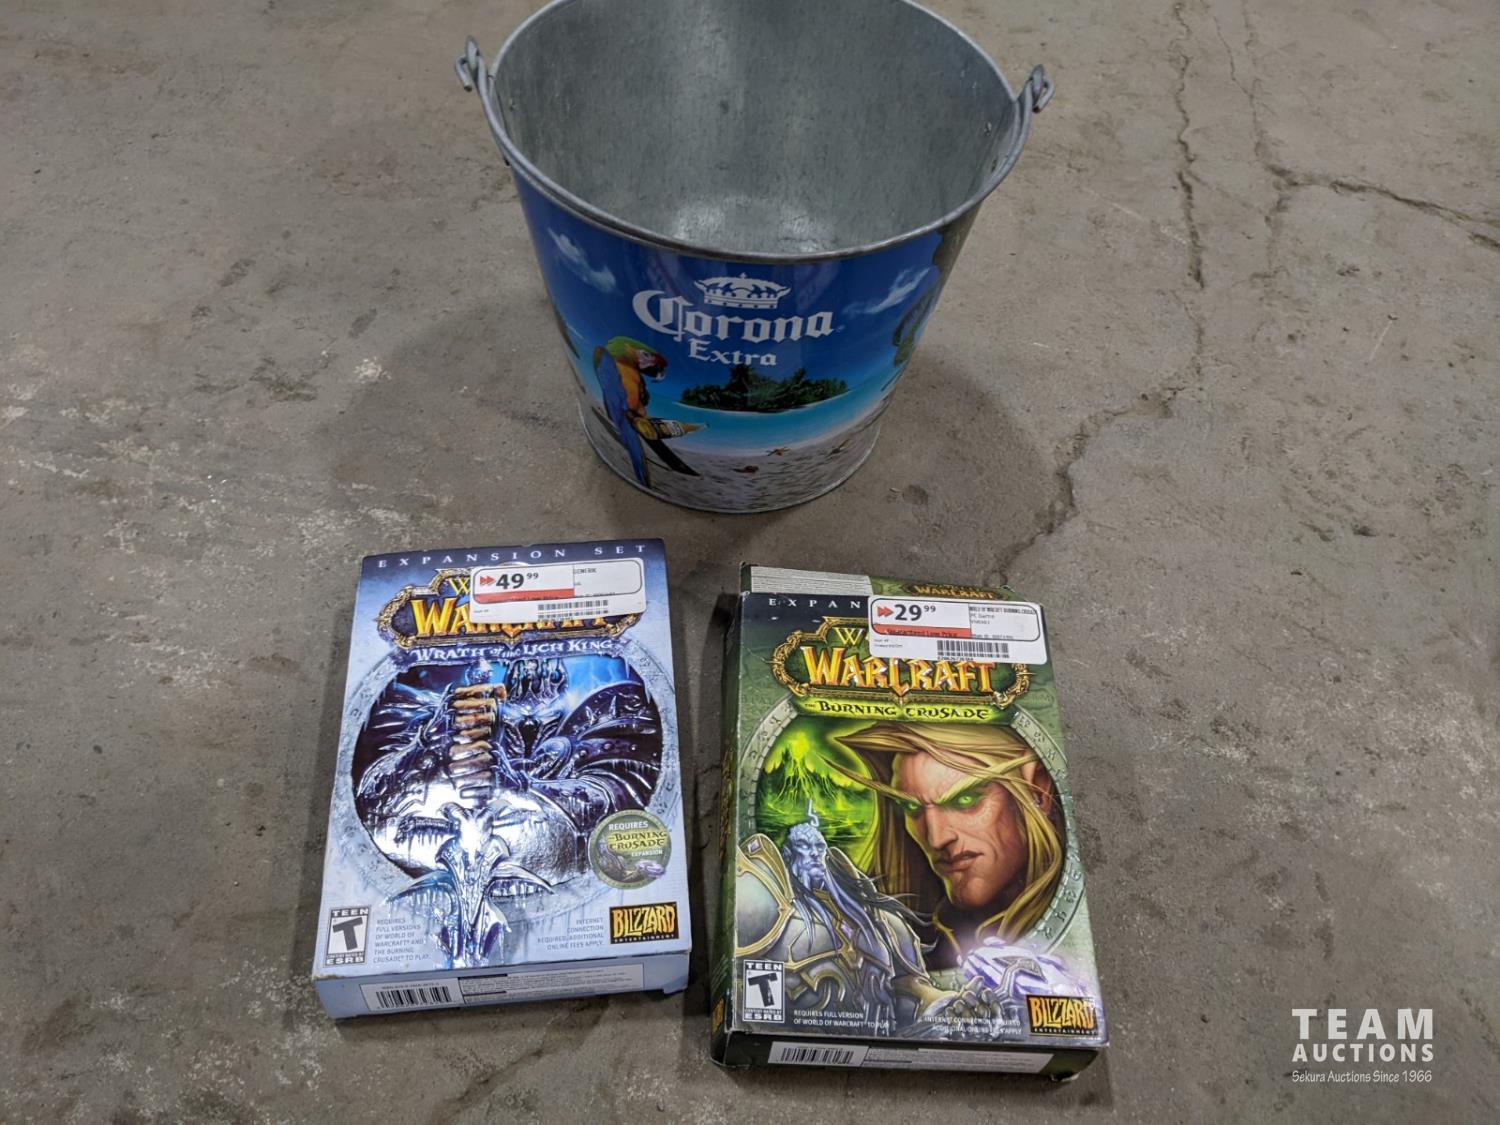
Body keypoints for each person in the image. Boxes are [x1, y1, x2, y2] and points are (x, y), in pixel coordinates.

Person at [735, 803, 1001, 1037]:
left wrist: (948, 1008)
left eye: (819, 847)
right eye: (805, 847)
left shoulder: (880, 921)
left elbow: (909, 993)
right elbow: (748, 997)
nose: (815, 854)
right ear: (788, 854)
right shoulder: (766, 909)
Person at [831, 721, 1064, 970]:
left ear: (1037, 790)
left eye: (966, 799)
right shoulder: (914, 936)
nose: (937, 839)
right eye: (911, 807)